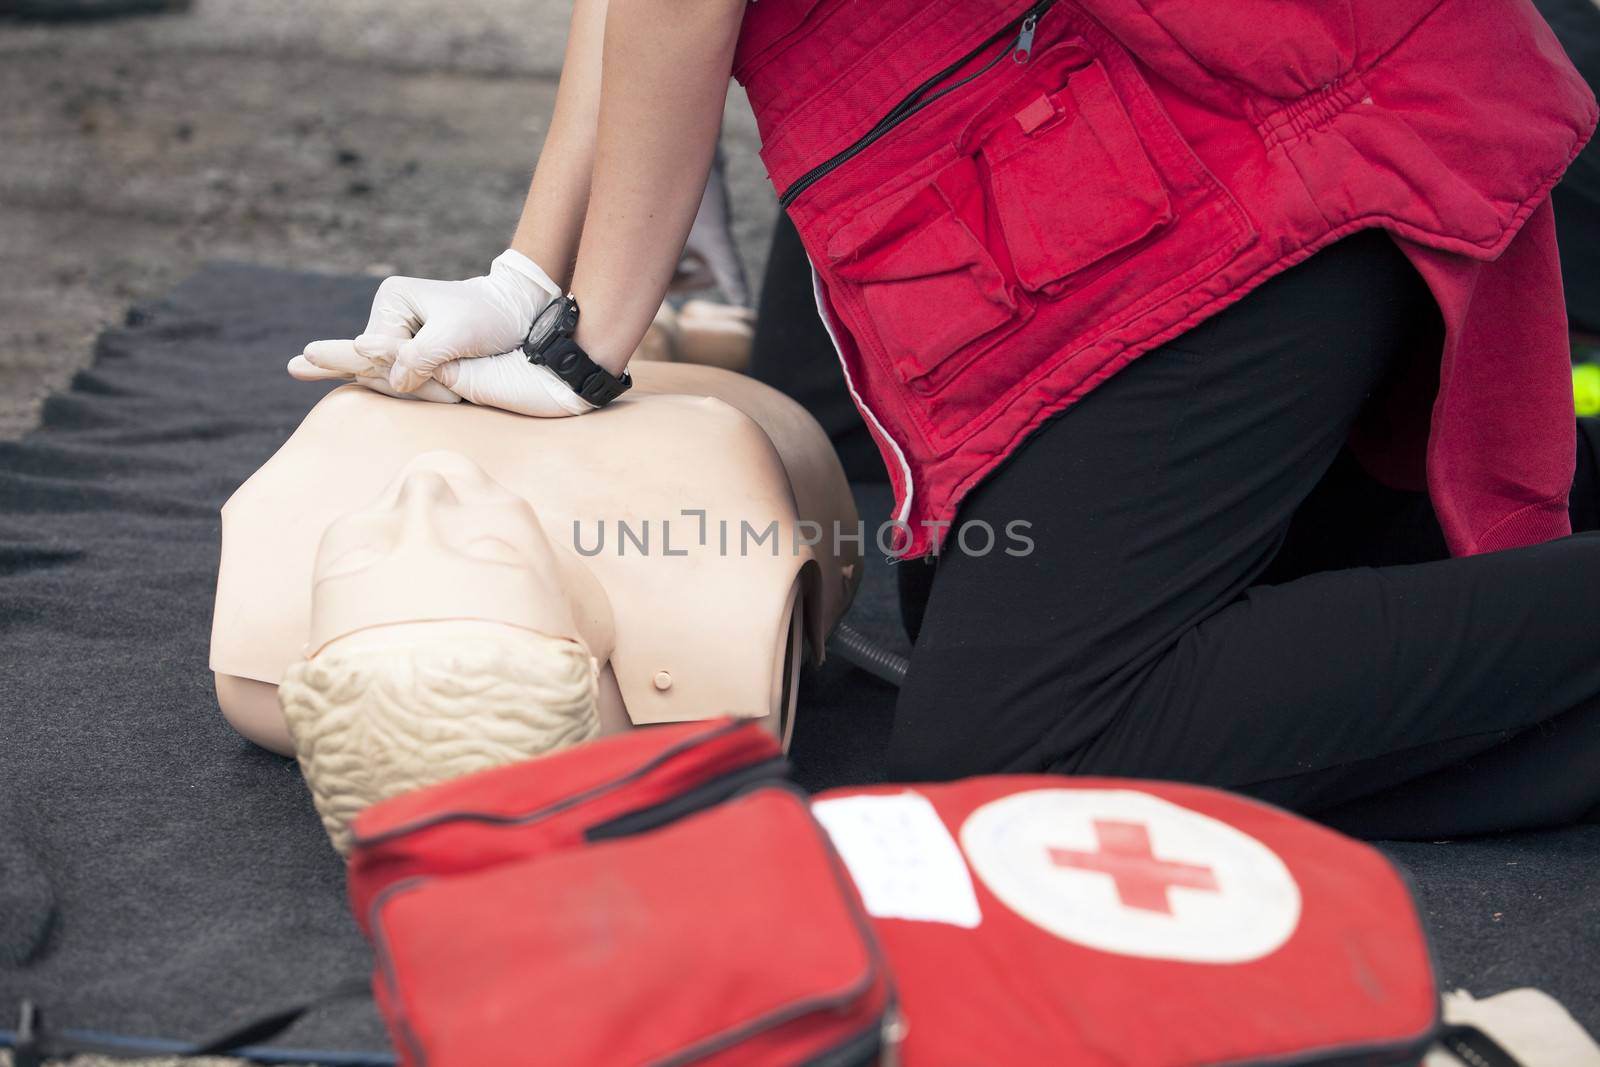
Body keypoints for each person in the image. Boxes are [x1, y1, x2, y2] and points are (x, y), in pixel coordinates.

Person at [300, 0, 1600, 839]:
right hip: (1129, 143)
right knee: (1004, 638)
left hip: (1261, 143)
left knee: (1017, 752)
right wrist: (530, 282)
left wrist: (587, 335)